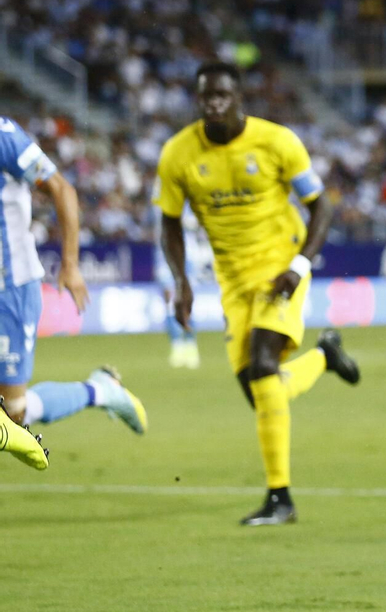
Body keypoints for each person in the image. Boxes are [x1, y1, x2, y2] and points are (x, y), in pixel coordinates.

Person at [157, 62, 361, 526]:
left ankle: (280, 499)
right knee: (263, 393)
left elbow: (321, 207)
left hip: (279, 269)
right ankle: (324, 357)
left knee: (265, 366)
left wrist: (299, 266)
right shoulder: (178, 153)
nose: (214, 103)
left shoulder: (277, 141)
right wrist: (182, 282)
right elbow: (169, 222)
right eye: (206, 96)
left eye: (223, 95)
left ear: (239, 98)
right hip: (231, 280)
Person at [1, 115, 146, 446]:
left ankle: (100, 391)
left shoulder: (4, 136)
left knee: (12, 413)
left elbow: (61, 188)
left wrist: (70, 264)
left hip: (10, 286)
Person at [152, 200, 211, 369]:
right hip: (164, 254)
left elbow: (197, 222)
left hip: (187, 256)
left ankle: (191, 345)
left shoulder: (189, 201)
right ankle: (177, 345)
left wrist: (188, 222)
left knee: (186, 300)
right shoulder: (159, 199)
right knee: (169, 301)